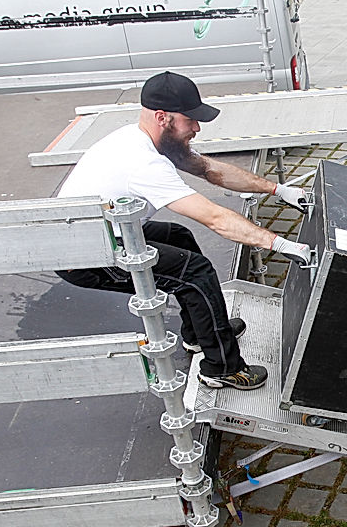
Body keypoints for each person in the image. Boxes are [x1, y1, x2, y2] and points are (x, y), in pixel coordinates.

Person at [55, 71, 309, 391]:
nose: (197, 128)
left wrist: (277, 190)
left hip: (102, 234)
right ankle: (222, 368)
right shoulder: (143, 162)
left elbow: (209, 169)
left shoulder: (142, 137)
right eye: (191, 120)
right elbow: (214, 218)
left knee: (179, 237)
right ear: (163, 118)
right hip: (85, 256)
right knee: (195, 273)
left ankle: (201, 333)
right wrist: (283, 245)